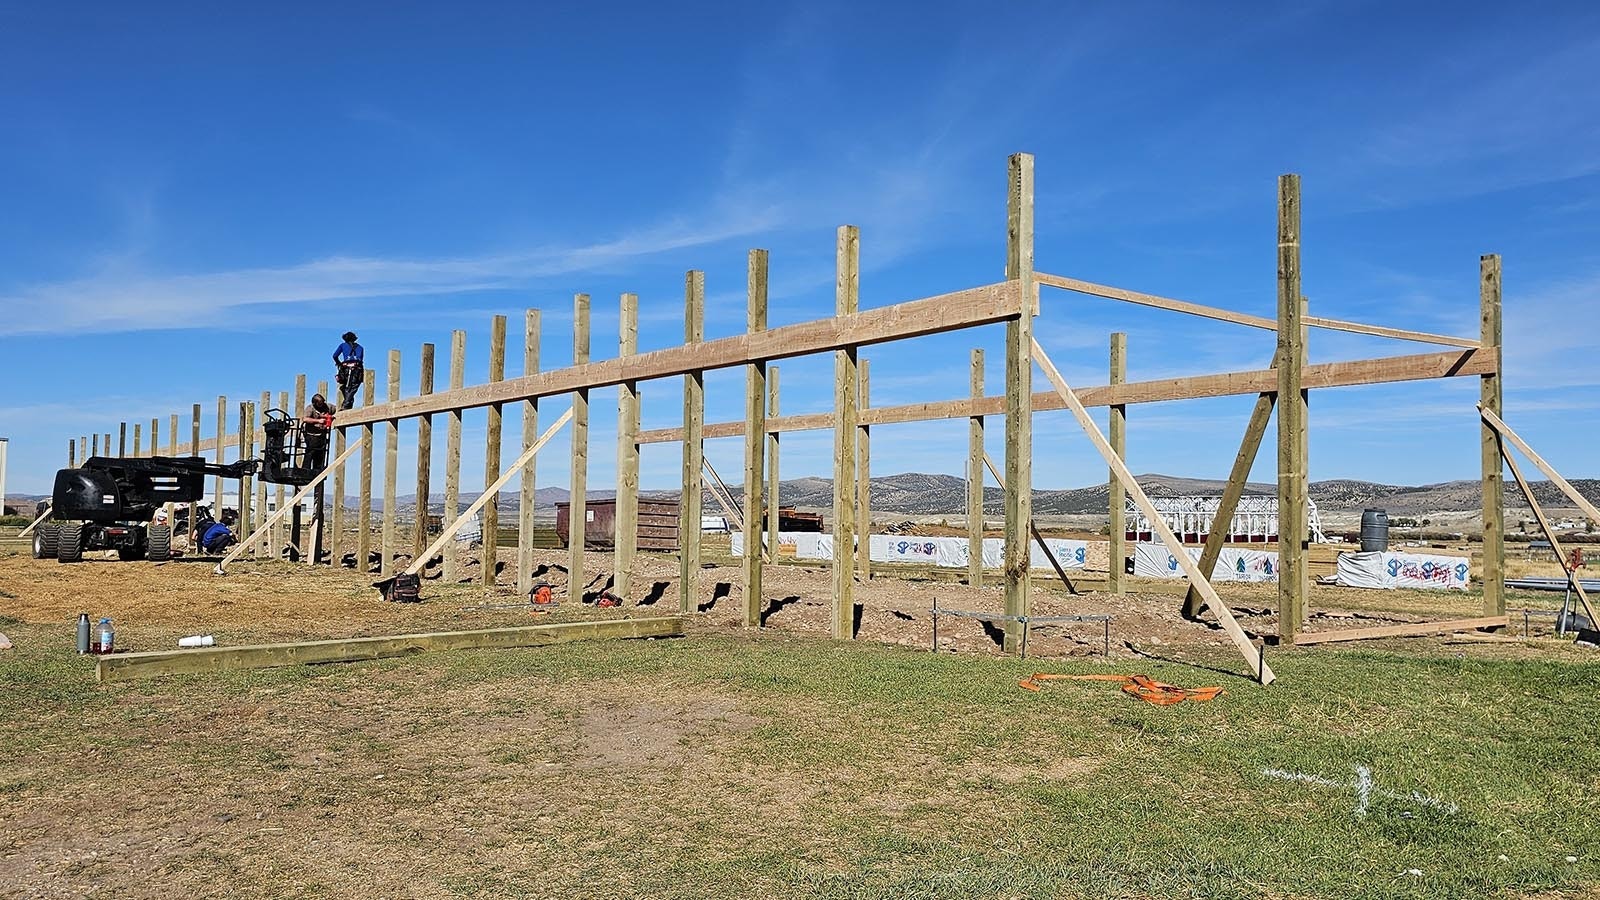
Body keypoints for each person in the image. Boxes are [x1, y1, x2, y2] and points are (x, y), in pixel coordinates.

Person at [301, 393, 335, 473]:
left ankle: (317, 471)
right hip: (311, 435)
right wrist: (318, 421)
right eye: (320, 404)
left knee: (320, 454)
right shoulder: (310, 408)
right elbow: (305, 419)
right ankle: (305, 471)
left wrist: (331, 417)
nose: (322, 405)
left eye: (322, 403)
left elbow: (337, 409)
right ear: (315, 403)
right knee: (310, 452)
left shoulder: (327, 406)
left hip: (321, 435)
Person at [333, 331, 365, 410]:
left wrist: (339, 363)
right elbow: (360, 359)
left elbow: (334, 356)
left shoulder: (343, 345)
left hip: (345, 369)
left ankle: (347, 404)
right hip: (357, 369)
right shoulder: (360, 347)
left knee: (346, 387)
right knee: (353, 387)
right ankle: (348, 403)